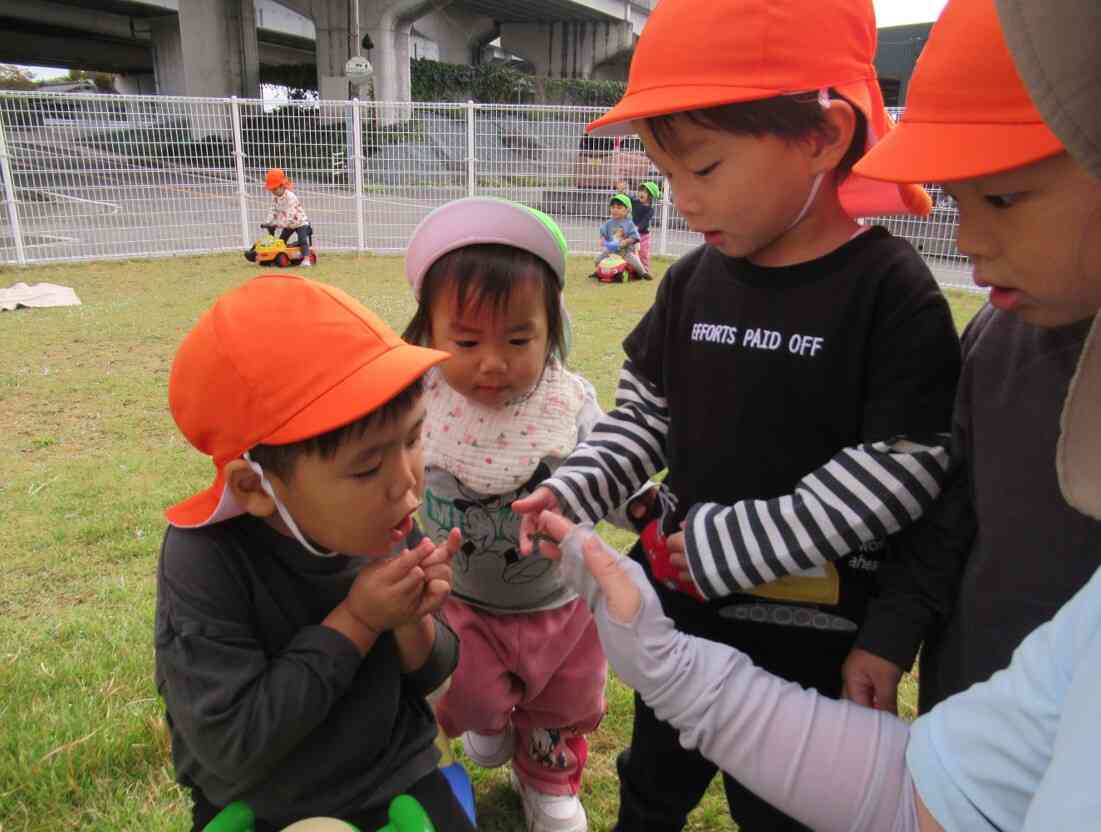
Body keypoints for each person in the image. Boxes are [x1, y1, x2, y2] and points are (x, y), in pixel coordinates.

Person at [526, 0, 1101, 830]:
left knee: (782, 808)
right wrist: (576, 488)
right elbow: (641, 416)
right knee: (651, 784)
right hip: (680, 620)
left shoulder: (889, 290)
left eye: (706, 168)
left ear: (823, 138)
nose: (682, 199)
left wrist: (734, 544)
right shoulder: (692, 281)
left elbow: (906, 468)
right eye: (668, 173)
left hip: (813, 644)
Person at [842, 0, 1101, 718]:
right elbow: (952, 510)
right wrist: (891, 635)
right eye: (957, 203)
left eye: (1003, 197)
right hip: (971, 707)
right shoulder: (994, 337)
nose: (969, 240)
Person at [154, 273, 475, 832]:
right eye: (367, 466)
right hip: (263, 798)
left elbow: (431, 673)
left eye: (413, 439)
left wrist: (413, 621)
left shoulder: (388, 517)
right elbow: (234, 743)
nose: (406, 484)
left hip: (392, 772)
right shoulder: (203, 560)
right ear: (256, 487)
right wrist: (357, 620)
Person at [402, 197, 648, 832]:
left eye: (518, 339)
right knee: (469, 693)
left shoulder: (566, 403)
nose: (492, 361)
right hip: (462, 601)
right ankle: (490, 722)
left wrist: (645, 510)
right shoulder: (416, 404)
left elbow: (611, 477)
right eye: (466, 339)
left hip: (559, 605)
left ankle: (548, 777)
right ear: (428, 333)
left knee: (562, 703)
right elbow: (384, 481)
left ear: (551, 331)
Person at [263, 167, 313, 265]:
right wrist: (268, 222)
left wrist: (282, 223)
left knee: (302, 240)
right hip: (288, 225)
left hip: (300, 222)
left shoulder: (290, 197)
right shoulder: (275, 197)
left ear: (282, 185)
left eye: (275, 189)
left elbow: (291, 213)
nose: (273, 191)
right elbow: (273, 209)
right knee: (281, 240)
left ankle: (306, 259)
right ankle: (278, 257)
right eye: (271, 189)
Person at [594, 194, 648, 280]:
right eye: (613, 207)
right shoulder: (609, 223)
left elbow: (635, 237)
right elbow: (603, 233)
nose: (615, 210)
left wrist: (626, 241)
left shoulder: (629, 224)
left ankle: (643, 273)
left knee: (635, 262)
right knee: (597, 260)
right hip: (611, 250)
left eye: (619, 208)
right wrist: (602, 240)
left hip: (625, 251)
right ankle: (598, 272)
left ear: (627, 210)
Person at [615, 179, 661, 274]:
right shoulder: (635, 202)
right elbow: (627, 199)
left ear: (651, 196)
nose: (641, 193)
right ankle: (627, 268)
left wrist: (637, 227)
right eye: (640, 190)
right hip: (632, 234)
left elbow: (645, 221)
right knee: (629, 251)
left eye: (644, 192)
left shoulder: (650, 209)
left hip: (643, 236)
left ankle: (644, 270)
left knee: (643, 253)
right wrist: (621, 191)